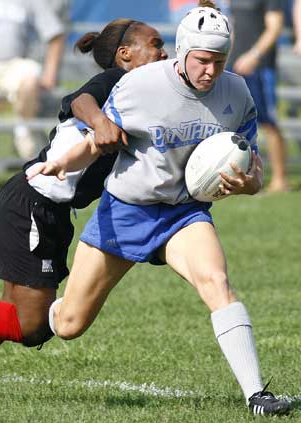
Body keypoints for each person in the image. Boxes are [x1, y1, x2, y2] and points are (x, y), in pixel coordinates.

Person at [34, 1, 290, 416]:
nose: (211, 70)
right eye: (203, 60)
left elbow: (253, 168)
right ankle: (32, 315)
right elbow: (94, 140)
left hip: (183, 213)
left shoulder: (237, 91)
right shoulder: (141, 86)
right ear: (184, 49)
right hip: (126, 209)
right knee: (68, 326)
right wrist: (65, 162)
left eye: (219, 61)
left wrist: (248, 185)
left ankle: (257, 394)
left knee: (217, 283)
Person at [0, 19, 167, 363]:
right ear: (125, 54)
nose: (164, 51)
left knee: (17, 313)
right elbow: (81, 101)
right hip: (32, 204)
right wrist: (99, 123)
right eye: (155, 44)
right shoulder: (117, 80)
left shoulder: (142, 96)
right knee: (31, 323)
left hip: (41, 207)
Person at [0, 0, 66, 160]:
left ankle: (24, 133)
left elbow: (56, 34)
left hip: (14, 66)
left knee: (30, 77)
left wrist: (50, 74)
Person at [226, 0, 288, 193]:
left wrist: (254, 55)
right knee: (229, 122)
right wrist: (227, 57)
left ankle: (280, 179)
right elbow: (234, 26)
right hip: (235, 65)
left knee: (269, 122)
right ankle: (231, 175)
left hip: (260, 67)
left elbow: (274, 28)